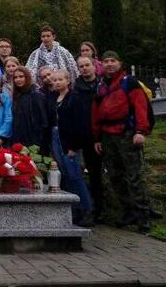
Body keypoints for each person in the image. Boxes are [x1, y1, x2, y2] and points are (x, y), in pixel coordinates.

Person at [92, 51, 152, 233]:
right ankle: (128, 212)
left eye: (113, 61)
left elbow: (140, 107)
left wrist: (141, 131)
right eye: (106, 61)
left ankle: (143, 217)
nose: (109, 64)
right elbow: (95, 114)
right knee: (115, 176)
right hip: (107, 135)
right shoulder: (100, 86)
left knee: (134, 176)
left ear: (120, 63)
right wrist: (96, 138)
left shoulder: (130, 82)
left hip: (127, 133)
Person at [49, 68, 94, 227]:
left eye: (60, 79)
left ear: (68, 81)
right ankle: (73, 209)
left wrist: (74, 146)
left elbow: (80, 124)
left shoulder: (74, 98)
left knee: (75, 175)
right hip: (56, 137)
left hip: (69, 141)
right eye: (54, 80)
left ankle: (86, 209)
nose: (57, 82)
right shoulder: (54, 98)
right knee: (65, 175)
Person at [73, 55, 104, 222]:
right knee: (93, 174)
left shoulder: (103, 85)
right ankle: (94, 209)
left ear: (94, 66)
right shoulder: (76, 88)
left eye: (87, 65)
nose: (84, 68)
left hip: (105, 133)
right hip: (86, 136)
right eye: (81, 66)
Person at [9, 67, 50, 155]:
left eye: (21, 76)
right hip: (20, 140)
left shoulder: (36, 94)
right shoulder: (16, 96)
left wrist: (39, 141)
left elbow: (44, 121)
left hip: (35, 141)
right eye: (15, 77)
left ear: (27, 77)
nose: (18, 79)